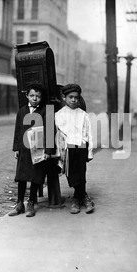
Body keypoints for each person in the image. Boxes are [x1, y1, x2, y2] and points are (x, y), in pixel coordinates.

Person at [10, 83, 55, 217]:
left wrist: (48, 151)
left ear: (42, 98)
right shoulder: (22, 111)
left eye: (38, 96)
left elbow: (50, 131)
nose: (34, 99)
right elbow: (18, 130)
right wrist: (16, 148)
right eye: (32, 96)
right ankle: (19, 204)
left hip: (38, 149)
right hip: (24, 148)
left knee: (35, 175)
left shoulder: (47, 111)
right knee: (22, 176)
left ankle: (31, 203)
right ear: (27, 96)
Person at [55, 84, 94, 214]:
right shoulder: (59, 115)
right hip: (68, 149)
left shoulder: (83, 115)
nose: (73, 100)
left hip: (81, 147)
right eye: (70, 97)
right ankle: (83, 196)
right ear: (64, 97)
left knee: (81, 173)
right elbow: (59, 135)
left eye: (76, 98)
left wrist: (89, 151)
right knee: (72, 175)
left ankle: (77, 200)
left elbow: (89, 134)